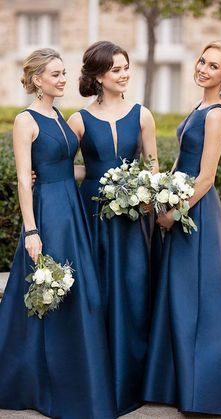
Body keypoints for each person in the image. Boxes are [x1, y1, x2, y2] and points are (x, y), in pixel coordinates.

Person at [0, 48, 116, 419]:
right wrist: (31, 230)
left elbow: (68, 169)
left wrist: (110, 179)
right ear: (37, 80)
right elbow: (22, 177)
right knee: (46, 294)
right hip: (48, 215)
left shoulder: (59, 115)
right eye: (56, 74)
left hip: (72, 211)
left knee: (80, 293)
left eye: (64, 73)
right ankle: (32, 381)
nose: (64, 79)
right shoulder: (25, 120)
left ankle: (75, 376)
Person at [68, 41, 162, 416]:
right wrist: (40, 172)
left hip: (133, 217)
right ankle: (97, 375)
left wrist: (146, 197)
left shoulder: (143, 115)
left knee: (134, 290)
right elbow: (70, 167)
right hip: (92, 213)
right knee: (98, 292)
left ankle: (134, 378)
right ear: (98, 76)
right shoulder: (78, 119)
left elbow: (153, 168)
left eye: (126, 67)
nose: (124, 74)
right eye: (116, 70)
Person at [143, 40, 221, 415]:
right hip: (180, 206)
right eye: (202, 60)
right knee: (177, 296)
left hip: (194, 214)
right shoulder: (200, 105)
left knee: (197, 299)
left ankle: (204, 392)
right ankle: (173, 382)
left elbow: (207, 177)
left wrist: (171, 213)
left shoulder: (216, 113)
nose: (202, 68)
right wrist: (155, 189)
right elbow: (183, 162)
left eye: (213, 66)